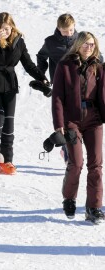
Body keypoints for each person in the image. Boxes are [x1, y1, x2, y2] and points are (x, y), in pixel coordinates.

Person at [0, 12, 49, 175]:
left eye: (7, 29)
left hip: (9, 85)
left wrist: (42, 79)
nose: (4, 32)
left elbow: (28, 64)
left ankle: (6, 160)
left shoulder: (18, 41)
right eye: (1, 29)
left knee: (9, 122)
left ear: (12, 27)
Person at [52, 31, 105, 223]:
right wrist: (59, 125)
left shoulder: (99, 67)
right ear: (78, 45)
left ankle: (94, 207)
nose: (89, 48)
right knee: (76, 163)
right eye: (86, 44)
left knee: (96, 165)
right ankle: (69, 197)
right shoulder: (65, 66)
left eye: (92, 44)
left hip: (94, 119)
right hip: (72, 121)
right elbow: (57, 97)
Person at [37, 13, 78, 164]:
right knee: (65, 120)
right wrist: (42, 75)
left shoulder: (81, 39)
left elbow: (97, 56)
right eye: (66, 31)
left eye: (72, 30)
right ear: (58, 28)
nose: (69, 34)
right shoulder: (50, 42)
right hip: (60, 85)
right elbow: (41, 56)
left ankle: (70, 149)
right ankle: (68, 153)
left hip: (79, 86)